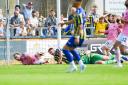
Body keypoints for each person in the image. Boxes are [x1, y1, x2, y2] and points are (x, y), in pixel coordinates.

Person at [60, 1, 86, 72]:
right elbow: (74, 21)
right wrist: (64, 23)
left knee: (65, 49)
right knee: (71, 49)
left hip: (78, 35)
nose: (72, 3)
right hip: (81, 35)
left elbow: (80, 25)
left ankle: (73, 66)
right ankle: (81, 64)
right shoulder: (81, 10)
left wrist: (77, 37)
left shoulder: (79, 12)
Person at [113, 0, 128, 67]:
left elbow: (125, 21)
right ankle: (119, 64)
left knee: (123, 51)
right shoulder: (125, 11)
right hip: (123, 32)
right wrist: (121, 22)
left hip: (126, 33)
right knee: (115, 46)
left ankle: (119, 63)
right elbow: (124, 22)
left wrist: (122, 20)